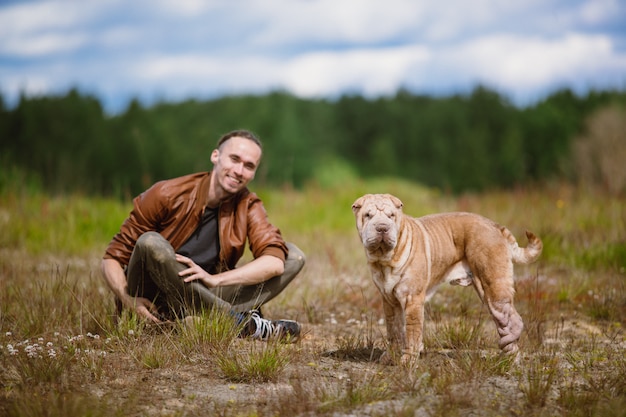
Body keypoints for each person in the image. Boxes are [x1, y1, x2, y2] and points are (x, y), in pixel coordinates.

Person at [101, 129, 305, 341]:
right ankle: (239, 324)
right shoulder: (167, 193)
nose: (239, 170)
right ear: (215, 156)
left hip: (204, 293)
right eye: (234, 159)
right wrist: (127, 300)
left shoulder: (248, 205)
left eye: (249, 166)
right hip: (154, 295)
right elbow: (112, 259)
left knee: (293, 255)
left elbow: (274, 262)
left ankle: (201, 323)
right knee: (150, 242)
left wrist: (215, 280)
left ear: (253, 173)